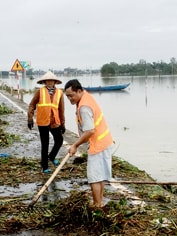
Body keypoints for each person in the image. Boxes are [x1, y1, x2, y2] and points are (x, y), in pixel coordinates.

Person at [64, 79, 114, 208]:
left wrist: (75, 145)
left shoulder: (84, 107)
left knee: (93, 177)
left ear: (79, 91)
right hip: (104, 142)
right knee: (99, 175)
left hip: (98, 144)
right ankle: (100, 202)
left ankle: (97, 204)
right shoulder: (86, 98)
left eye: (71, 95)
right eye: (67, 96)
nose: (69, 99)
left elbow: (90, 130)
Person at [27, 71, 65, 173]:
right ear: (44, 82)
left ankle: (51, 156)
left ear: (55, 82)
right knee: (45, 144)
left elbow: (61, 110)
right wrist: (30, 118)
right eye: (47, 80)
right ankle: (44, 166)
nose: (49, 82)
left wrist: (63, 123)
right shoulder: (40, 92)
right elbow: (32, 105)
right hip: (43, 121)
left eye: (51, 80)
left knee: (59, 140)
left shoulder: (60, 93)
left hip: (54, 121)